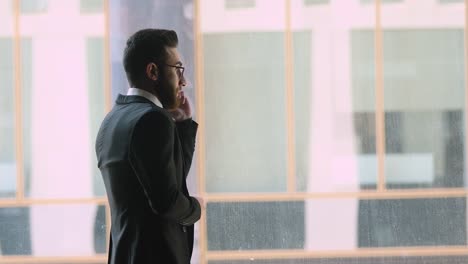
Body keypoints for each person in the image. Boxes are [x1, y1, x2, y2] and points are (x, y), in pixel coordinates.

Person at [95, 29, 201, 264]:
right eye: (178, 69)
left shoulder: (113, 119)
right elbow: (167, 201)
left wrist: (183, 125)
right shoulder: (153, 119)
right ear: (153, 71)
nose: (184, 81)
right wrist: (196, 207)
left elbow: (167, 178)